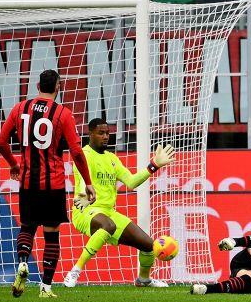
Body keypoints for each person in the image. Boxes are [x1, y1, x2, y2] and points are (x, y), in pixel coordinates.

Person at [0, 69, 96, 298]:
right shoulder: (63, 113)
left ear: (37, 86)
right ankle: (46, 288)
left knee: (27, 226)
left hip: (28, 182)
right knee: (51, 233)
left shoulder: (20, 108)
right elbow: (77, 153)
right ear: (58, 87)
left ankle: (23, 263)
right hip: (53, 183)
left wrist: (14, 164)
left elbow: (1, 141)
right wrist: (88, 183)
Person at [63, 118, 177, 288]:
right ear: (90, 134)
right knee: (107, 225)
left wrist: (154, 165)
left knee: (148, 245)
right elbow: (81, 186)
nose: (105, 136)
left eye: (108, 133)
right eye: (101, 133)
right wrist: (83, 199)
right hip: (85, 211)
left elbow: (131, 182)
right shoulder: (84, 155)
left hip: (108, 213)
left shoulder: (112, 158)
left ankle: (143, 280)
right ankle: (75, 271)